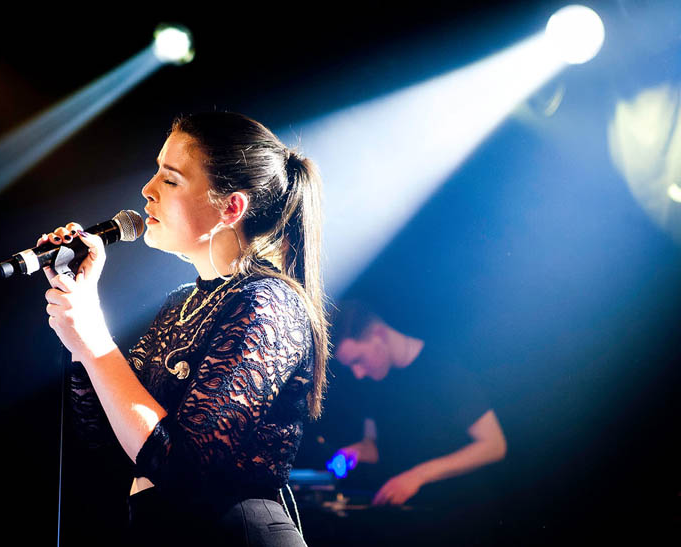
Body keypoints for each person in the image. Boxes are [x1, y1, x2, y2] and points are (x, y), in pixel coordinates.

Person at [40, 112, 329, 545]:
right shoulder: (181, 302)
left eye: (170, 179)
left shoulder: (267, 302)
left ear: (230, 207)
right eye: (156, 171)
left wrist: (94, 337)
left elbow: (182, 463)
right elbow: (103, 434)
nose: (147, 190)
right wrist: (79, 324)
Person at [330, 302, 506, 512]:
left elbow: (494, 445)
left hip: (461, 513)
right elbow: (376, 446)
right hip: (413, 516)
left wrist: (418, 476)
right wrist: (356, 452)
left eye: (358, 360)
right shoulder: (374, 382)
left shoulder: (443, 370)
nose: (358, 373)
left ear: (380, 335)